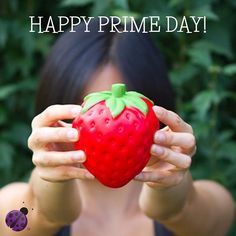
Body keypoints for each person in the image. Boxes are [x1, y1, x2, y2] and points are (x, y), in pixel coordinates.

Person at [0, 18, 234, 236]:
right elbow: (32, 216)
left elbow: (183, 210)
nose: (108, 128)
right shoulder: (13, 206)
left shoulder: (210, 204)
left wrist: (167, 185)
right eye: (88, 110)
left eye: (125, 113)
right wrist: (51, 184)